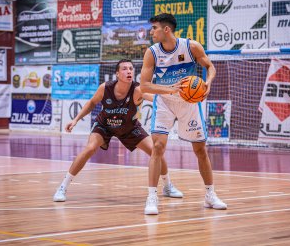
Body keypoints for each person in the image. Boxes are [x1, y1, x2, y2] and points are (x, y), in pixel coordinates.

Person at [53, 59, 183, 202]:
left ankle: (167, 186)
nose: (129, 71)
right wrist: (76, 119)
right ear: (117, 73)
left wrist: (174, 96)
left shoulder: (138, 89)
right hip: (105, 126)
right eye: (124, 69)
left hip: (129, 127)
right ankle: (62, 187)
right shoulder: (105, 88)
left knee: (156, 151)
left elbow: (156, 99)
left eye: (131, 68)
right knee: (89, 148)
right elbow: (91, 103)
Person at [140, 13, 227, 215]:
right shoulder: (152, 53)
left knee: (200, 150)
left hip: (189, 103)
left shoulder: (191, 46)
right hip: (164, 102)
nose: (151, 32)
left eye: (154, 28)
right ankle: (152, 197)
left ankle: (210, 195)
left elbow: (210, 67)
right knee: (158, 147)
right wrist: (170, 89)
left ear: (166, 29)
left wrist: (208, 83)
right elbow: (144, 86)